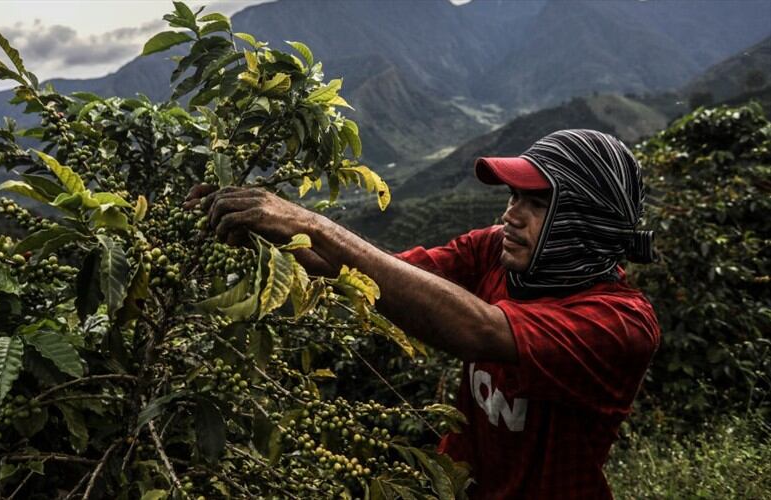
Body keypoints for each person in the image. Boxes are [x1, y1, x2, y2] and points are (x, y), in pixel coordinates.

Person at [185, 129, 660, 499]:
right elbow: (379, 278)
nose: (511, 215)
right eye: (514, 197)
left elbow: (479, 331)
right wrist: (268, 233)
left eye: (536, 204)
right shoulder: (496, 251)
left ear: (581, 222)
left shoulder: (619, 324)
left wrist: (314, 223)